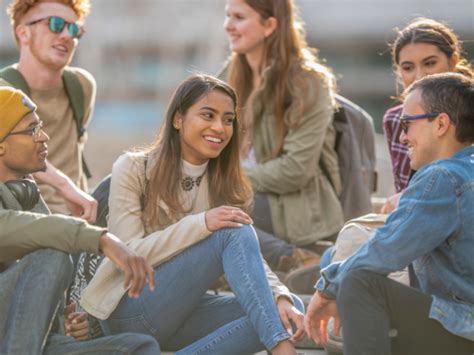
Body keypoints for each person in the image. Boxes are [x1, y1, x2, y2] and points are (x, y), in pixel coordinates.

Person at [80, 74, 305, 354]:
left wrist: (280, 295)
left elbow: (248, 257)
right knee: (232, 235)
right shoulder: (134, 168)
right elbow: (129, 253)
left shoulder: (224, 183)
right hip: (129, 309)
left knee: (289, 309)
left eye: (227, 119)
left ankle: (276, 337)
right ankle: (283, 349)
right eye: (208, 115)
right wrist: (202, 224)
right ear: (178, 119)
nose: (219, 127)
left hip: (184, 313)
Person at [304, 73, 474, 354]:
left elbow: (384, 251)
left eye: (407, 124)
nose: (403, 136)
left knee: (359, 282)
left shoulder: (443, 177)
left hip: (465, 330)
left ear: (441, 123)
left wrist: (326, 289)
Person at [0, 86, 159, 354]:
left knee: (139, 347)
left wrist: (60, 319)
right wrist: (102, 239)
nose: (44, 137)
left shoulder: (27, 194)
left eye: (40, 127)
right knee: (53, 256)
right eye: (31, 131)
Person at [222, 0, 344, 273]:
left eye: (239, 17)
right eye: (227, 15)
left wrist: (227, 177)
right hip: (243, 196)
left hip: (293, 208)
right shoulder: (228, 76)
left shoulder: (308, 82)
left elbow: (295, 170)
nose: (228, 25)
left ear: (270, 25)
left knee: (206, 207)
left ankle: (295, 257)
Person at [1, 0, 98, 222]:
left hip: (83, 217)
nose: (66, 35)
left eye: (74, 30)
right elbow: (15, 154)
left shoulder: (82, 85)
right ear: (23, 33)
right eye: (55, 24)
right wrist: (64, 185)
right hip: (26, 224)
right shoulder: (3, 92)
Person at [382, 17, 473, 212]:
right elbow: (403, 186)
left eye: (430, 63)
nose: (420, 76)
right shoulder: (395, 120)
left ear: (453, 61)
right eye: (408, 68)